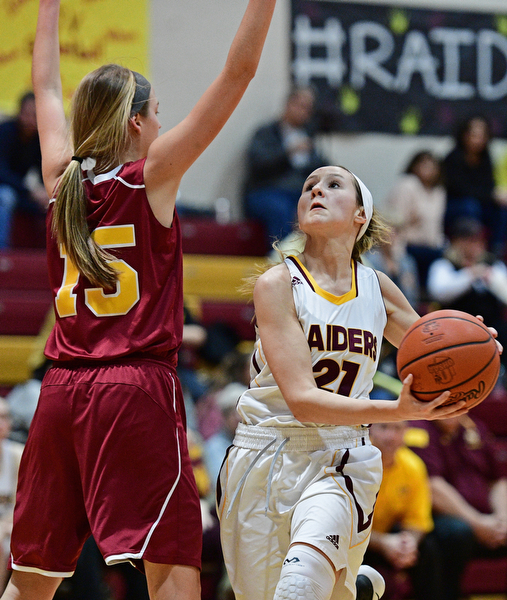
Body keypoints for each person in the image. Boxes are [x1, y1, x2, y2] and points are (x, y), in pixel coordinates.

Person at [2, 0, 277, 598]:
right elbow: (240, 74)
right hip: (133, 391)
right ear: (133, 123)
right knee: (173, 568)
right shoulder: (150, 174)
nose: (160, 123)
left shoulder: (60, 180)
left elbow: (46, 85)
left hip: (60, 393)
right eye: (155, 113)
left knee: (31, 582)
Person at [217, 164, 475, 600]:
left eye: (333, 185)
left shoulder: (377, 287)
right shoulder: (278, 284)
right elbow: (303, 401)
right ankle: (348, 589)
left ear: (360, 215)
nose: (316, 190)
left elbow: (439, 368)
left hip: (341, 457)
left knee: (297, 590)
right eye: (308, 187)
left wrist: (470, 350)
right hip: (265, 452)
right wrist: (397, 411)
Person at [407, 415, 507, 600]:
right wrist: (478, 524)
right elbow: (432, 486)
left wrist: (502, 519)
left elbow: (498, 479)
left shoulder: (475, 427)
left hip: (488, 519)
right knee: (457, 533)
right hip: (441, 518)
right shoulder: (417, 429)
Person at [365, 421, 442, 600]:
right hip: (356, 541)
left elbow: (418, 521)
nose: (391, 436)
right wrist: (383, 543)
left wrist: (408, 544)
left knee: (428, 548)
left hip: (389, 540)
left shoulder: (413, 465)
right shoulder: (354, 466)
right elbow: (343, 527)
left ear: (406, 432)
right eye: (384, 427)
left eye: (398, 428)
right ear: (370, 430)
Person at [243, 86, 327, 248]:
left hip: (298, 193)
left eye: (308, 108)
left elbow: (319, 170)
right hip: (266, 191)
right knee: (281, 210)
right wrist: (289, 151)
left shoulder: (309, 137)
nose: (304, 112)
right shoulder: (266, 133)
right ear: (289, 104)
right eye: (300, 105)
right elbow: (258, 165)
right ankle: (283, 261)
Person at [426, 216, 507, 370]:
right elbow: (439, 292)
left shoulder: (493, 265)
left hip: (491, 330)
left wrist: (492, 280)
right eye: (469, 241)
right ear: (456, 242)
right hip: (455, 332)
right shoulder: (444, 264)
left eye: (477, 241)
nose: (474, 246)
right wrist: (470, 275)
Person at [442, 115, 507, 255]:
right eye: (474, 135)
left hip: (480, 203)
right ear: (464, 135)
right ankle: (472, 249)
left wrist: (496, 195)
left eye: (482, 135)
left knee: (501, 210)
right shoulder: (453, 158)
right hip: (455, 206)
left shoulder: (486, 159)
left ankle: (496, 250)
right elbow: (460, 189)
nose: (477, 140)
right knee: (471, 205)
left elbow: (489, 185)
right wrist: (490, 195)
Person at [384, 151, 446, 294]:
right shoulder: (407, 184)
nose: (428, 169)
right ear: (414, 165)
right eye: (424, 164)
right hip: (407, 245)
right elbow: (395, 221)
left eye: (432, 166)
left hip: (432, 245)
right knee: (408, 269)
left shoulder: (439, 191)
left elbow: (437, 223)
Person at [0, 91, 48, 249]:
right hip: (6, 187)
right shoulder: (5, 132)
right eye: (26, 114)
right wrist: (30, 190)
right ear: (19, 113)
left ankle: (46, 254)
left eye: (35, 115)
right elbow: (2, 172)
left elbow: (44, 170)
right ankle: (3, 253)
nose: (29, 120)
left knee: (50, 202)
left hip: (18, 189)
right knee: (6, 197)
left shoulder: (39, 139)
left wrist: (47, 193)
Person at [0, 399, 23, 593]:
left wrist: (6, 525)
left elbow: (21, 504)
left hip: (12, 526)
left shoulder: (18, 453)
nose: (0, 423)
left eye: (4, 417)